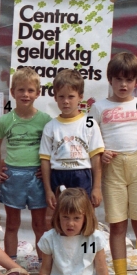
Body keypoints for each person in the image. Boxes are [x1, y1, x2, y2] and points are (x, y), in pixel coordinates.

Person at [90, 52, 137, 275]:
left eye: (129, 80)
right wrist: (102, 152)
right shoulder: (99, 107)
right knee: (117, 226)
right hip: (113, 169)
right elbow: (91, 140)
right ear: (109, 79)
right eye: (118, 79)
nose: (123, 85)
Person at [32, 188, 128, 275]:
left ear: (86, 217)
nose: (70, 223)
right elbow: (45, 270)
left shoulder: (93, 238)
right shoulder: (50, 238)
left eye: (76, 218)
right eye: (65, 217)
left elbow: (102, 269)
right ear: (58, 216)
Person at [0, 67, 51, 259]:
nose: (25, 94)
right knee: (11, 223)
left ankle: (44, 264)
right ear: (13, 92)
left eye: (30, 90)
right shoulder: (5, 120)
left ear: (38, 93)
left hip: (37, 176)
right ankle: (11, 264)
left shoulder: (45, 120)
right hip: (13, 176)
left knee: (40, 225)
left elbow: (53, 146)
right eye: (21, 90)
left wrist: (47, 170)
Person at [40, 68, 104, 209]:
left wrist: (97, 188)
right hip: (58, 175)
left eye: (71, 96)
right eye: (61, 97)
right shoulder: (50, 126)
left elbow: (96, 158)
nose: (66, 101)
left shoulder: (89, 123)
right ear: (55, 97)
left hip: (82, 175)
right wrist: (48, 190)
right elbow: (45, 160)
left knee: (82, 216)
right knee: (60, 218)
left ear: (80, 96)